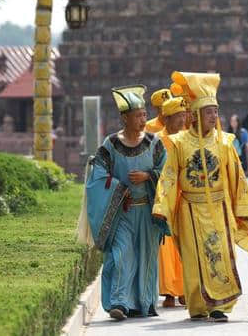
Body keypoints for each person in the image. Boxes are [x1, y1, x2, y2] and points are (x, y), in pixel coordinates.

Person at [153, 71, 248, 323]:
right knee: (192, 259)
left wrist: (242, 208)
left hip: (219, 209)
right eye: (209, 111)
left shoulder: (225, 142)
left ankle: (220, 305)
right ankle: (198, 306)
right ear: (196, 114)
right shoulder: (178, 143)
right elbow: (169, 177)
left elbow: (238, 178)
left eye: (216, 111)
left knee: (220, 255)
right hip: (190, 209)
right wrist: (162, 206)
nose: (214, 116)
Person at [77, 85, 169, 321]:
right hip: (122, 212)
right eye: (138, 116)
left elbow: (167, 173)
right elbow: (97, 174)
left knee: (146, 256)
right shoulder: (110, 144)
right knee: (121, 254)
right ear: (124, 118)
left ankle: (143, 302)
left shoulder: (154, 143)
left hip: (147, 211)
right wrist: (119, 189)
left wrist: (149, 177)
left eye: (144, 115)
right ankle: (119, 302)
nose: (143, 119)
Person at [157, 97, 188, 308]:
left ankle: (186, 289)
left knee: (185, 245)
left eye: (183, 116)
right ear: (165, 118)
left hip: (186, 198)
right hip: (165, 198)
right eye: (177, 116)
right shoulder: (156, 141)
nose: (182, 120)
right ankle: (168, 291)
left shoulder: (188, 138)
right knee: (166, 249)